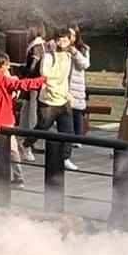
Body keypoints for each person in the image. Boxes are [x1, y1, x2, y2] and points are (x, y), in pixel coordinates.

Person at [0, 49, 48, 186]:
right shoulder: (4, 80)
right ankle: (18, 177)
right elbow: (22, 85)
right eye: (6, 65)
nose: (8, 67)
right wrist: (42, 80)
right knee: (12, 149)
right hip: (4, 119)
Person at [29, 28, 81, 169]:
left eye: (64, 40)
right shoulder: (47, 56)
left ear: (69, 40)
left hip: (63, 100)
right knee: (42, 127)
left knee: (67, 130)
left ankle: (66, 158)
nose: (61, 43)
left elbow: (66, 77)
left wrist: (66, 93)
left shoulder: (68, 56)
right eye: (59, 40)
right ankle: (26, 145)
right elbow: (45, 78)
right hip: (48, 100)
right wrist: (61, 93)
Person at [17, 23, 47, 161]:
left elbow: (33, 69)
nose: (26, 32)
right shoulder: (42, 45)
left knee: (31, 116)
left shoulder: (36, 47)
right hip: (33, 86)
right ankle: (23, 140)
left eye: (28, 29)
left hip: (34, 86)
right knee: (26, 113)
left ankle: (28, 144)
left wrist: (21, 69)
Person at [66, 24, 91, 151]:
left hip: (77, 85)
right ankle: (68, 138)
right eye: (69, 35)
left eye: (73, 35)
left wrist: (76, 54)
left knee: (77, 112)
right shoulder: (61, 47)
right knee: (66, 113)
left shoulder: (83, 49)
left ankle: (78, 138)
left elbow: (85, 64)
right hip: (65, 85)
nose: (71, 38)